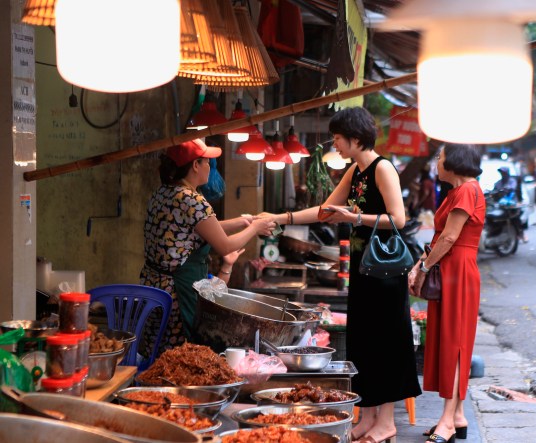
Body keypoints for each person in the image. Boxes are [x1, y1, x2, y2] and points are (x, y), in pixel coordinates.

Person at [264, 107, 421, 443]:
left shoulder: (383, 168)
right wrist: (282, 217)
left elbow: (399, 218)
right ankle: (366, 417)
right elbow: (324, 212)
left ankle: (387, 422)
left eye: (337, 137)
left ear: (355, 138)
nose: (334, 143)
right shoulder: (356, 171)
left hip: (385, 273)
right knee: (363, 342)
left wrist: (353, 218)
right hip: (364, 269)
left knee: (386, 343)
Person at [139, 139, 276, 351]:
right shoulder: (193, 200)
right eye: (207, 162)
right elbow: (225, 246)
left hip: (154, 287)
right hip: (176, 293)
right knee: (178, 356)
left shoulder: (164, 193)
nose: (210, 167)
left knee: (156, 352)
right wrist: (255, 228)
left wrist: (241, 222)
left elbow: (196, 228)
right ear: (195, 165)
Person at [408, 143, 486, 443]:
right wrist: (420, 265)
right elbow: (442, 236)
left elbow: (451, 236)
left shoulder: (467, 190)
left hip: (459, 271)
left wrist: (424, 268)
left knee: (455, 344)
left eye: (439, 159)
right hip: (450, 270)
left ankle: (447, 421)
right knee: (452, 341)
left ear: (453, 161)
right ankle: (456, 416)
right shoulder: (457, 191)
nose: (436, 164)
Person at [492, 166, 528, 243]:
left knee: (515, 218)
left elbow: (512, 188)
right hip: (501, 206)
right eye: (501, 172)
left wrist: (506, 189)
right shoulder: (498, 183)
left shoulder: (512, 181)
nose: (502, 174)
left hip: (512, 205)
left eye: (504, 172)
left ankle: (521, 234)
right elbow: (494, 192)